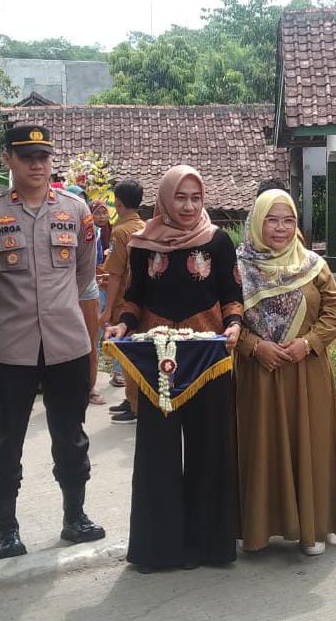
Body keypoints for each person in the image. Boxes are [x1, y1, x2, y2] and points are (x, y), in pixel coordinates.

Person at [0, 124, 105, 559]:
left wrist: (66, 316)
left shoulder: (75, 210)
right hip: (11, 349)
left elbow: (84, 275)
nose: (37, 164)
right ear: (7, 159)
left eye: (43, 156)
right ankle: (5, 530)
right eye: (26, 156)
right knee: (5, 441)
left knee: (71, 436)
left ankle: (75, 517)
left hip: (67, 345)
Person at [104, 165, 243, 573]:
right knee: (157, 453)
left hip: (207, 359)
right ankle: (158, 549)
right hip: (157, 363)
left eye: (195, 198)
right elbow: (134, 298)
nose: (188, 206)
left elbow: (232, 294)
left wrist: (234, 324)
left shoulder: (217, 241)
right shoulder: (143, 243)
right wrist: (122, 324)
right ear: (165, 199)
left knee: (209, 449)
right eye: (180, 197)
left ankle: (208, 546)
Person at [234, 189, 336, 556]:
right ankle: (258, 528)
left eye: (288, 220)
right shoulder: (238, 267)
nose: (280, 228)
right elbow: (227, 315)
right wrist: (254, 346)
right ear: (257, 222)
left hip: (306, 372)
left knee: (309, 445)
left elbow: (334, 311)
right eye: (271, 219)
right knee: (260, 447)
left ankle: (312, 528)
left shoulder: (313, 264)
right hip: (259, 374)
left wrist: (309, 343)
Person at [100, 179, 146, 424]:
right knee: (134, 352)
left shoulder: (120, 232)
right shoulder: (145, 227)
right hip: (140, 301)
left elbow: (116, 275)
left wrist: (107, 310)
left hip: (123, 302)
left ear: (118, 203)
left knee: (128, 354)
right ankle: (131, 398)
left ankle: (136, 404)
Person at [87, 199, 112, 406]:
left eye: (105, 212)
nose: (102, 216)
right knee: (93, 330)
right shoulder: (90, 232)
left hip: (107, 283)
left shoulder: (113, 232)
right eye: (98, 213)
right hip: (93, 283)